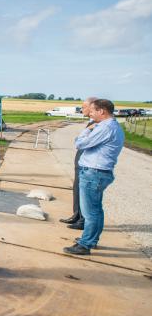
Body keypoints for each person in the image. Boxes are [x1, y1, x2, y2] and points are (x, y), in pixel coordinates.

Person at [63, 99, 124, 255]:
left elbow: (81, 144)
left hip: (93, 173)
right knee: (96, 210)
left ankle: (86, 244)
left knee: (90, 213)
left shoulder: (105, 127)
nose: (90, 114)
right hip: (97, 172)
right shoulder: (111, 126)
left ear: (102, 111)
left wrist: (86, 130)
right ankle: (91, 240)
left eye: (92, 111)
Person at [60, 97, 98, 230]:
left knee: (84, 193)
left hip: (87, 163)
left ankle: (83, 220)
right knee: (77, 189)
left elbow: (82, 142)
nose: (82, 109)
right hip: (81, 161)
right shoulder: (92, 122)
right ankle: (77, 214)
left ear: (93, 108)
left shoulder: (98, 124)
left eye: (84, 107)